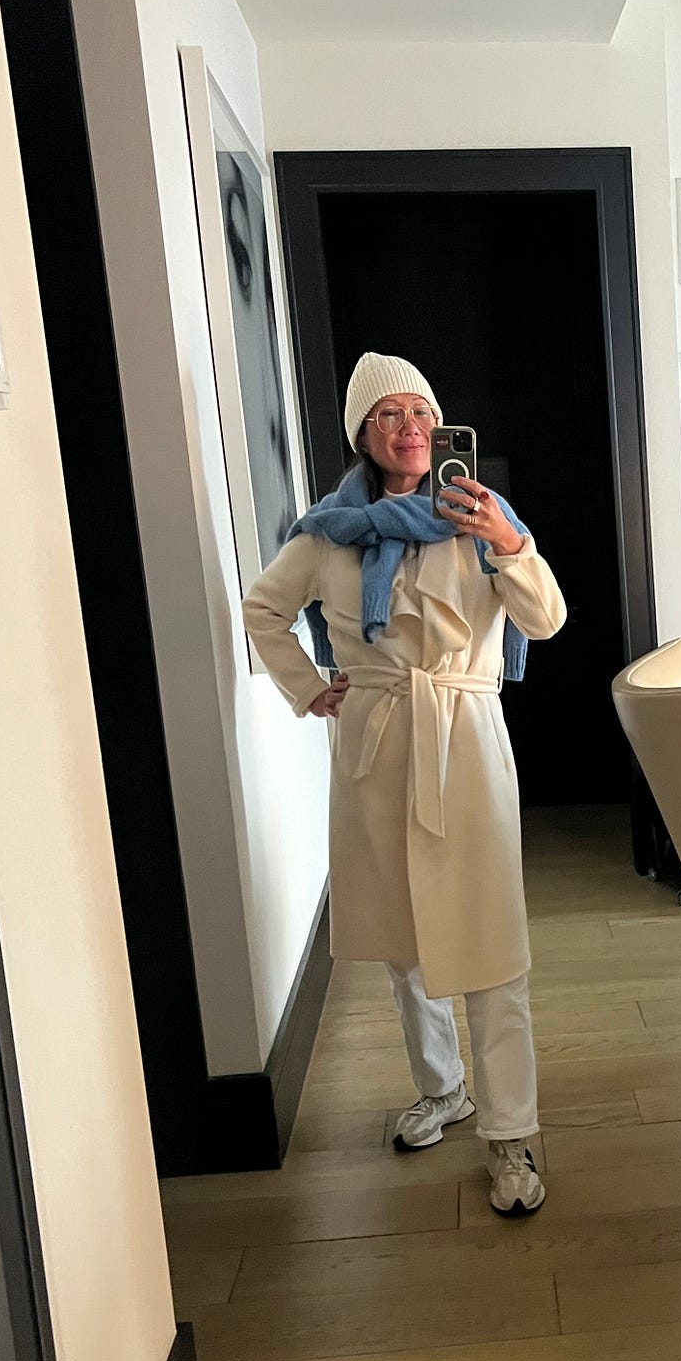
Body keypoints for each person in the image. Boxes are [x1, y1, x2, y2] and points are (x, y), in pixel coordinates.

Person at [241, 352, 566, 1214]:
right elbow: (263, 610)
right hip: (377, 743)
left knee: (492, 945)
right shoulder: (327, 534)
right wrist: (310, 687)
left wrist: (508, 543)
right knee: (404, 940)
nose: (411, 427)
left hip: (465, 736)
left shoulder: (480, 515)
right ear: (363, 433)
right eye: (389, 415)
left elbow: (545, 619)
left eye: (422, 411)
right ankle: (443, 1086)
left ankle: (511, 1131)